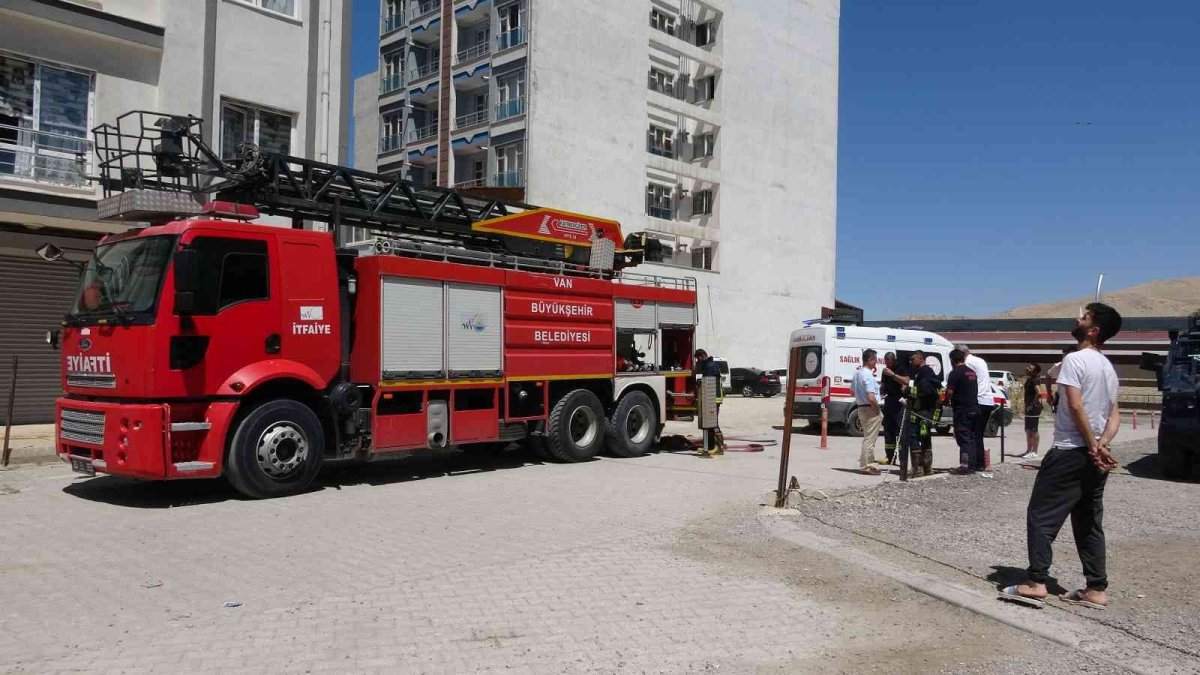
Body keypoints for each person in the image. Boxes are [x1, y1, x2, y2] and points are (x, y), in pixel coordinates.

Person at [999, 303, 1122, 610]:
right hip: (1093, 457)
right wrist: (1102, 444)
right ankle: (1096, 589)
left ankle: (1036, 582)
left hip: (1069, 452)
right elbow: (1114, 415)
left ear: (1093, 330)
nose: (1076, 319)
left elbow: (1076, 405)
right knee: (1088, 522)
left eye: (1083, 317)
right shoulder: (1108, 368)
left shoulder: (1075, 360)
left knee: (1041, 516)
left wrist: (1092, 444)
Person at [901, 351, 942, 478]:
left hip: (923, 412)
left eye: (913, 359)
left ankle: (919, 468)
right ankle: (926, 468)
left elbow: (925, 391)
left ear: (921, 359)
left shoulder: (926, 373)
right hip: (921, 410)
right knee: (924, 438)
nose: (911, 361)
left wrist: (907, 390)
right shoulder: (922, 373)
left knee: (915, 437)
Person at [958, 345, 994, 473]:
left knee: (971, 435)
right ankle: (980, 463)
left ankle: (972, 464)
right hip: (988, 400)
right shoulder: (980, 361)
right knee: (978, 435)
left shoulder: (967, 363)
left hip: (978, 400)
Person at [946, 349, 980, 474]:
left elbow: (950, 392)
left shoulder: (955, 373)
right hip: (974, 408)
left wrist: (946, 399)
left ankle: (964, 466)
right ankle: (972, 464)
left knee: (963, 438)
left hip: (962, 411)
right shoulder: (972, 373)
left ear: (952, 360)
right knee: (971, 438)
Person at [851, 349, 882, 475]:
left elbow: (852, 391)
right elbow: (870, 396)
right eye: (875, 360)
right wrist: (878, 410)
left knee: (867, 437)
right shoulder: (868, 374)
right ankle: (867, 465)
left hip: (860, 407)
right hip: (870, 408)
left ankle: (867, 462)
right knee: (870, 439)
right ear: (870, 360)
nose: (876, 363)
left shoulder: (857, 373)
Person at [692, 349, 725, 457]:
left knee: (713, 423)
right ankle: (710, 446)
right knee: (709, 423)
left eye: (698, 358)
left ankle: (719, 448)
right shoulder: (708, 365)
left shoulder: (710, 366)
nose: (698, 361)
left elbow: (708, 382)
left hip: (713, 398)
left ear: (703, 355)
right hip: (710, 397)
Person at [880, 352, 909, 465]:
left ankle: (902, 458)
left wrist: (892, 375)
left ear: (893, 359)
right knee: (888, 430)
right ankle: (890, 456)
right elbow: (883, 384)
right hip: (889, 400)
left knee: (900, 430)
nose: (887, 362)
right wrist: (882, 390)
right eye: (885, 360)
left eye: (888, 360)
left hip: (900, 401)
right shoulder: (885, 371)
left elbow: (906, 381)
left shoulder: (901, 368)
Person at [1019, 363, 1044, 460]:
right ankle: (1029, 450)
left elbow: (1039, 392)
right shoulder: (1029, 379)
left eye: (1030, 368)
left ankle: (1035, 452)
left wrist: (1032, 404)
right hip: (1028, 407)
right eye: (1028, 366)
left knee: (1033, 430)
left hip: (1033, 407)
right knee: (1028, 429)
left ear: (1035, 371)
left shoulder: (1035, 380)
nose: (1027, 368)